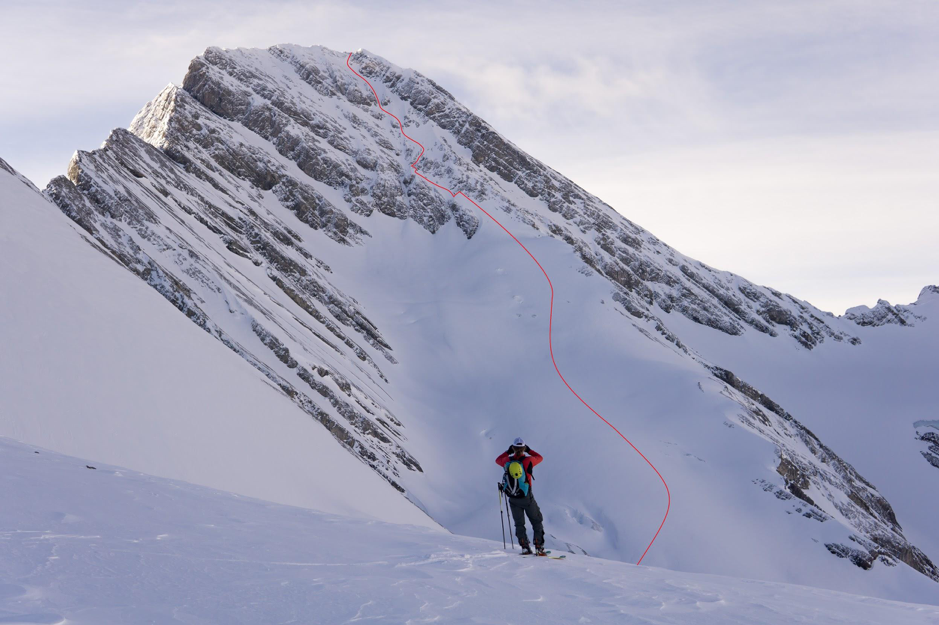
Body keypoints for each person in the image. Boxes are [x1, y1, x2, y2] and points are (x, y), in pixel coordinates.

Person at [496, 437, 545, 555]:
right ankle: (538, 546)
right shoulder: (528, 461)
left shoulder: (507, 461)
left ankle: (524, 547)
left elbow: (498, 460)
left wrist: (508, 452)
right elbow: (540, 457)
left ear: (513, 448)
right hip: (527, 497)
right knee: (536, 520)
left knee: (519, 523)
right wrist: (529, 450)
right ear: (524, 448)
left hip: (512, 498)